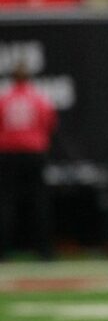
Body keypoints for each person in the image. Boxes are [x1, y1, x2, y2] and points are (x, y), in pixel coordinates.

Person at [0, 62, 58, 260]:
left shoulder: (4, 100)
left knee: (6, 202)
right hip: (34, 152)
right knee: (38, 202)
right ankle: (44, 251)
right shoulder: (39, 99)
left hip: (8, 153)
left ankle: (4, 251)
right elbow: (49, 124)